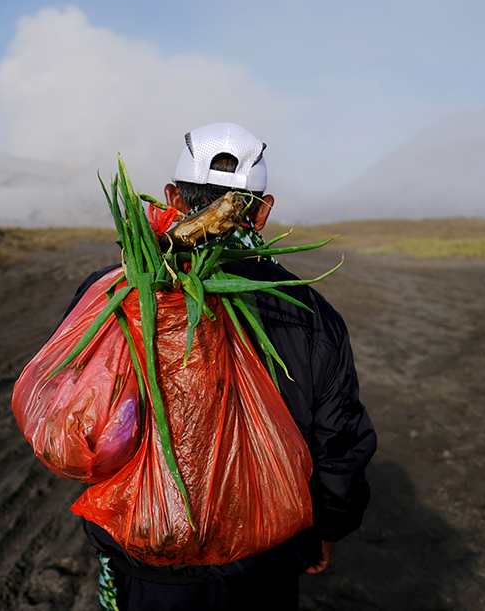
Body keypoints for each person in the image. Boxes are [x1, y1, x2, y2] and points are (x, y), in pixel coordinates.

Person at [64, 122, 376, 611]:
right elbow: (338, 444)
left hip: (146, 559)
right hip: (262, 566)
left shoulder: (112, 296)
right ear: (265, 209)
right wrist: (331, 527)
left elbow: (76, 415)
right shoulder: (311, 315)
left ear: (171, 196)